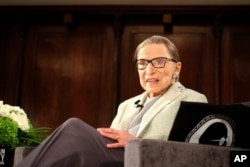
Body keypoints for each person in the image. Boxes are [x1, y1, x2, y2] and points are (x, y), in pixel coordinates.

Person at [16, 35, 208, 167]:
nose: (149, 70)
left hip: (143, 161)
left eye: (159, 61)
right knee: (72, 149)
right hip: (112, 161)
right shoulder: (126, 105)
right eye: (142, 63)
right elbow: (109, 144)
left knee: (73, 127)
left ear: (177, 68)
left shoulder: (192, 99)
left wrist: (136, 142)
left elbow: (191, 154)